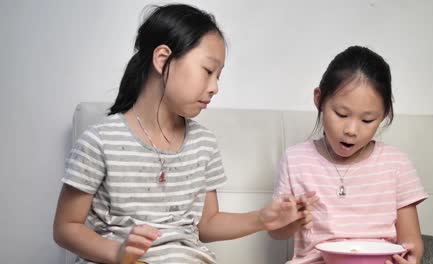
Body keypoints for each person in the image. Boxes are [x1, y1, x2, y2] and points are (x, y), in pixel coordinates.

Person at [53, 4, 316, 264]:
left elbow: (207, 224)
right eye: (208, 71)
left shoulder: (203, 143)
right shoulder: (100, 141)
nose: (214, 88)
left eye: (219, 77)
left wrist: (262, 219)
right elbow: (66, 227)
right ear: (163, 59)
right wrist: (117, 253)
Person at [269, 46, 428, 264]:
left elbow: (412, 242)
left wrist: (412, 257)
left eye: (367, 120)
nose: (351, 130)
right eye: (341, 114)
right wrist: (289, 219)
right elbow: (277, 231)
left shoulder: (396, 164)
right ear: (319, 99)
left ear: (384, 115)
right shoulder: (295, 159)